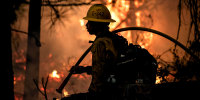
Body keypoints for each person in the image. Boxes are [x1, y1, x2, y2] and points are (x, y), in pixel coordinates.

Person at [61, 4, 128, 100]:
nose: (86, 25)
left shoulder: (100, 43)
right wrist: (84, 70)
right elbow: (106, 68)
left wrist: (93, 95)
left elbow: (99, 76)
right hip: (116, 91)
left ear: (97, 24)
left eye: (89, 22)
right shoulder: (112, 39)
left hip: (103, 94)